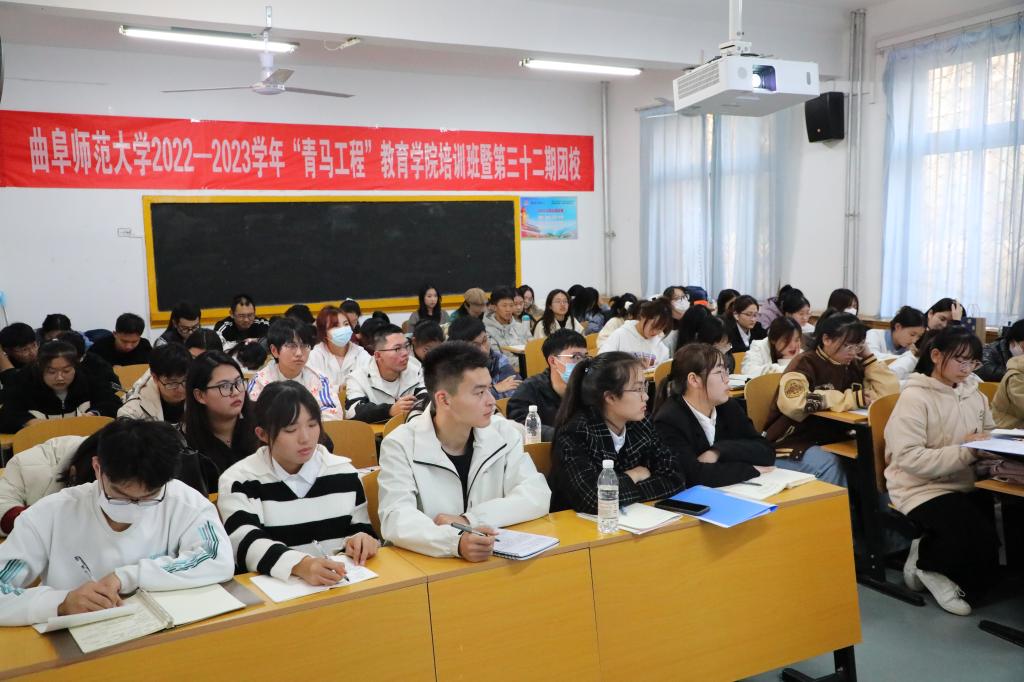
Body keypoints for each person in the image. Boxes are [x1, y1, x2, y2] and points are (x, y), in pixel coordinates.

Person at [0, 418, 234, 626]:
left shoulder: (184, 502)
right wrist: (60, 603)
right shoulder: (50, 514)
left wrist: (127, 577)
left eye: (149, 497)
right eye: (120, 496)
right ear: (97, 468)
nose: (134, 506)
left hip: (162, 633)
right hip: (79, 637)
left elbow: (217, 559)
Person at [377, 341, 550, 560]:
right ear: (444, 399)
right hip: (432, 566)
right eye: (479, 393)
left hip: (493, 559)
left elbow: (537, 494)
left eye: (489, 389)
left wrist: (470, 520)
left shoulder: (503, 432)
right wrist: (454, 542)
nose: (491, 401)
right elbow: (396, 518)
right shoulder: (400, 445)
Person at [884, 326, 999, 616]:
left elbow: (989, 432)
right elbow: (910, 458)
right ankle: (929, 567)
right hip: (918, 486)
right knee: (973, 533)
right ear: (936, 356)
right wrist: (968, 451)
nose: (967, 369)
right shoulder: (915, 397)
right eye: (960, 360)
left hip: (963, 481)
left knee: (991, 534)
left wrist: (997, 449)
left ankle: (924, 551)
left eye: (973, 362)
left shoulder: (974, 394)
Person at [218, 381, 378, 583]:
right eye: (290, 430)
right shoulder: (240, 481)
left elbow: (360, 527)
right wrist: (299, 565)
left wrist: (362, 540)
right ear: (263, 434)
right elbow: (245, 543)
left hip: (341, 584)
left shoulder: (344, 472)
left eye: (312, 425)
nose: (305, 438)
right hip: (278, 592)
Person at [762, 313, 900, 486]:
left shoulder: (854, 363)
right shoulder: (805, 363)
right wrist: (850, 399)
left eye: (858, 346)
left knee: (876, 457)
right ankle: (840, 504)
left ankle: (868, 504)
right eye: (847, 346)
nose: (853, 352)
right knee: (829, 464)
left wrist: (868, 358)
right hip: (793, 442)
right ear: (826, 339)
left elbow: (886, 397)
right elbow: (794, 404)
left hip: (836, 436)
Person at [551, 351, 685, 513]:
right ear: (610, 397)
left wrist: (618, 490)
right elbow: (594, 499)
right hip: (577, 524)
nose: (645, 397)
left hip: (633, 516)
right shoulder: (575, 433)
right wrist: (634, 475)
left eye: (644, 387)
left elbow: (675, 478)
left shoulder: (641, 424)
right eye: (637, 389)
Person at [653, 344, 775, 487]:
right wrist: (749, 469)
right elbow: (693, 476)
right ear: (694, 380)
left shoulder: (728, 406)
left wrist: (718, 451)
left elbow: (766, 452)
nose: (727, 379)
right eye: (719, 372)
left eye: (726, 371)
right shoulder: (669, 420)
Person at [181, 351, 261, 494]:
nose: (235, 392)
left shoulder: (261, 423)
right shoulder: (186, 446)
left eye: (238, 382)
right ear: (200, 396)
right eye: (224, 386)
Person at [0, 341, 121, 433]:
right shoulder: (24, 382)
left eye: (66, 371)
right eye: (52, 372)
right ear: (39, 367)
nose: (60, 378)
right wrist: (29, 422)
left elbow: (112, 403)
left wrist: (93, 414)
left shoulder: (88, 379)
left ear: (75, 366)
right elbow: (6, 416)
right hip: (38, 445)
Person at [0, 433, 95, 536]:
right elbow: (3, 507)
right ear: (73, 475)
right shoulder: (27, 465)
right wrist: (45, 516)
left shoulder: (106, 454)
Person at [248, 318, 342, 421]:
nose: (299, 353)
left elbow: (333, 414)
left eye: (304, 345)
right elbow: (252, 417)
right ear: (274, 351)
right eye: (291, 346)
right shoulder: (260, 380)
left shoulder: (319, 379)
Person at [508, 330, 589, 441]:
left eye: (585, 357)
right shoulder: (529, 389)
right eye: (576, 357)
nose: (583, 364)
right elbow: (520, 425)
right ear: (553, 361)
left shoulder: (590, 386)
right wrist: (563, 436)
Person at [345, 324, 427, 423]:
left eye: (406, 346)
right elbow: (352, 412)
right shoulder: (357, 378)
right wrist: (389, 410)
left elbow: (427, 399)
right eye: (397, 349)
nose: (405, 353)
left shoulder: (416, 368)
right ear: (378, 355)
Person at [448, 316, 521, 399]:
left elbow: (517, 390)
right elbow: (463, 401)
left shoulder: (498, 359)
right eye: (475, 345)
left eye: (484, 340)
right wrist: (495, 389)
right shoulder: (451, 368)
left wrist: (486, 392)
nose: (483, 350)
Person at [118, 343, 192, 424]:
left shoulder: (199, 392)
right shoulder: (133, 410)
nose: (181, 389)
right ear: (155, 378)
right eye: (172, 383)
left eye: (185, 380)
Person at [307, 305, 371, 395]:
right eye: (335, 326)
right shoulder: (314, 357)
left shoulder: (361, 354)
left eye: (346, 324)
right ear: (324, 332)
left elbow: (370, 384)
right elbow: (312, 389)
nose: (343, 329)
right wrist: (339, 389)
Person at [597, 298, 672, 367]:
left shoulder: (660, 346)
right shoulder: (621, 335)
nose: (655, 332)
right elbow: (601, 361)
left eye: (660, 328)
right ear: (642, 316)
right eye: (653, 326)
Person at [866, 306, 927, 381]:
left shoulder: (909, 349)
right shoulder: (874, 334)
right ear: (898, 327)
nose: (914, 340)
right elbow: (872, 359)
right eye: (912, 334)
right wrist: (908, 357)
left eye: (919, 336)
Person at [87, 313, 152, 366]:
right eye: (124, 341)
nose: (128, 346)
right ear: (115, 334)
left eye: (134, 342)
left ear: (140, 337)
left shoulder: (144, 346)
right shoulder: (99, 348)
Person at [483, 286, 530, 356]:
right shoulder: (487, 332)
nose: (508, 310)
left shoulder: (520, 326)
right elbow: (498, 359)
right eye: (504, 306)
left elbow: (532, 347)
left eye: (511, 305)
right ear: (494, 307)